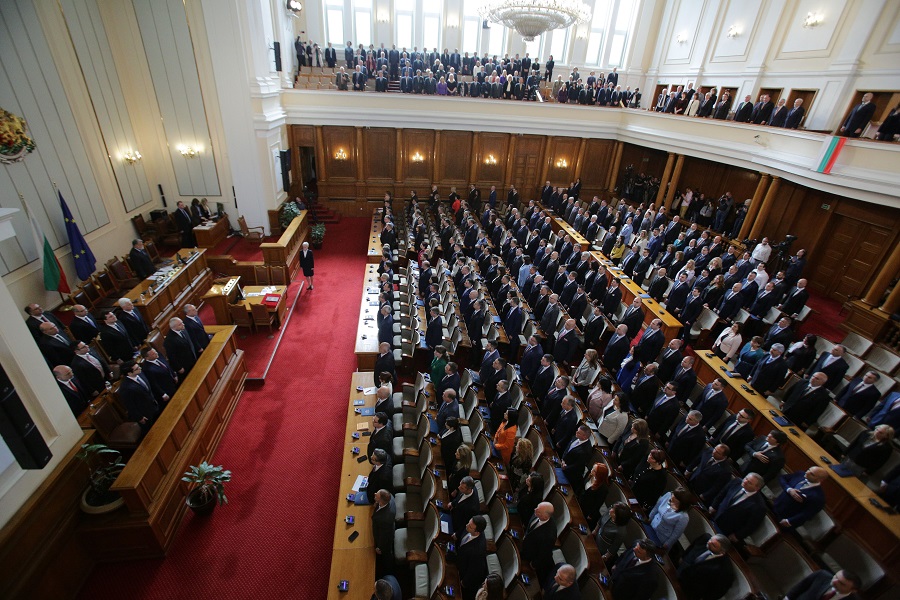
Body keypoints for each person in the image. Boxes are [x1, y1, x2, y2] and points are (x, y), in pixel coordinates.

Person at [677, 534, 734, 600]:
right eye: (710, 540)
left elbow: (716, 592)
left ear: (722, 552)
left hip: (690, 589)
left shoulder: (724, 570)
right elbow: (692, 546)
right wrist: (683, 556)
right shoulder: (705, 538)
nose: (709, 543)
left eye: (713, 545)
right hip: (683, 570)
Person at [118, 360, 160, 434]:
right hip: (145, 414)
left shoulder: (140, 374)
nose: (140, 368)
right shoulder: (126, 388)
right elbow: (130, 405)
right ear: (129, 373)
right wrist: (139, 417)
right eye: (137, 368)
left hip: (153, 406)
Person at [521, 502, 557, 582]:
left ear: (545, 516)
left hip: (531, 556)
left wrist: (534, 565)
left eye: (538, 511)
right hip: (527, 545)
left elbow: (544, 554)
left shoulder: (549, 536)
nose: (535, 510)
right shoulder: (537, 513)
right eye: (537, 507)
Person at [457, 516, 489, 600]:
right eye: (468, 523)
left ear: (477, 532)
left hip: (464, 574)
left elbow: (474, 571)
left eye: (470, 526)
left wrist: (464, 582)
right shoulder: (470, 528)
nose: (467, 525)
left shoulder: (477, 552)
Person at [785, 569, 862, 600]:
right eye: (835, 576)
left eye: (841, 583)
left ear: (853, 590)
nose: (834, 581)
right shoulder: (821, 575)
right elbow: (796, 590)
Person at [372, 489, 396, 578]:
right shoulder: (390, 497)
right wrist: (376, 504)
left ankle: (388, 572)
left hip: (386, 538)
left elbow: (384, 535)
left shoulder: (385, 518)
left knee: (386, 556)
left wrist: (380, 547)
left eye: (376, 496)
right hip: (385, 528)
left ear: (381, 501)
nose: (374, 494)